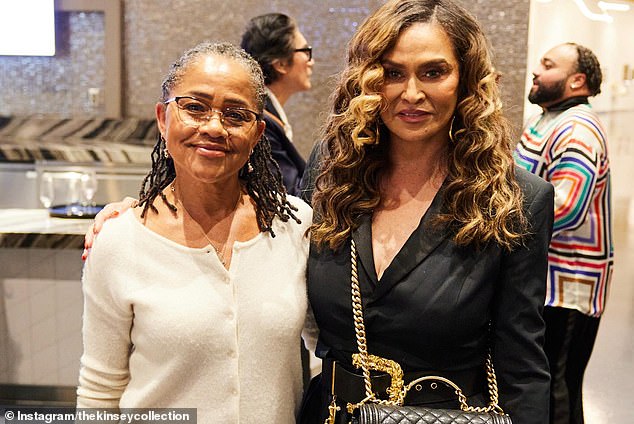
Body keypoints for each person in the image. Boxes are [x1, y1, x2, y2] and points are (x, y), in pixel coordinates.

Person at [297, 0, 554, 423]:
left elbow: (521, 362)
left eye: (433, 72)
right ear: (368, 80)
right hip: (329, 412)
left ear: (465, 80)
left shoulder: (514, 200)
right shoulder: (331, 171)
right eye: (393, 73)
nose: (411, 93)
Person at [76, 41, 317, 423]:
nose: (213, 127)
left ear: (257, 134)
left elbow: (325, 353)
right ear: (163, 118)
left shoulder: (294, 226)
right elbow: (99, 389)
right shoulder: (120, 241)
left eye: (236, 114)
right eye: (194, 107)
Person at [514, 42, 613, 424]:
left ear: (577, 80)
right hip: (547, 276)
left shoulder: (578, 129)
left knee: (558, 385)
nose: (537, 70)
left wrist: (497, 224)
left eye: (548, 64)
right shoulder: (548, 119)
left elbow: (565, 209)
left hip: (569, 283)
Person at [240, 13, 312, 196]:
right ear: (280, 64)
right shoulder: (261, 121)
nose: (311, 62)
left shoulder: (267, 112)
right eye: (305, 51)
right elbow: (291, 197)